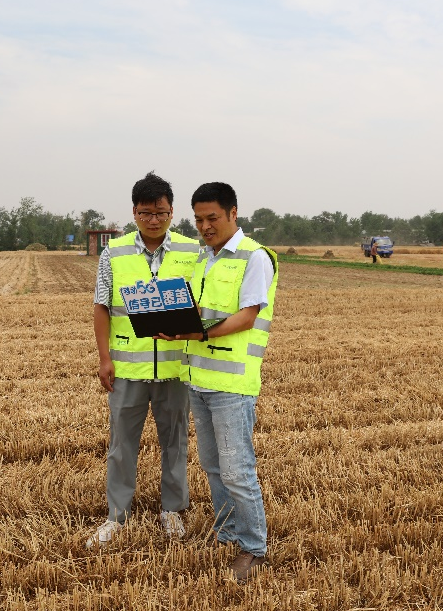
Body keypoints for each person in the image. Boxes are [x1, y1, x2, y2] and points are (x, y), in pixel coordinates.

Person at [158, 182, 278, 583]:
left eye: (212, 218)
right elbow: (193, 311)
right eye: (198, 219)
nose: (205, 226)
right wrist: (168, 321)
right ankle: (228, 533)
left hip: (232, 384)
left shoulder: (254, 257)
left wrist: (193, 334)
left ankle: (253, 547)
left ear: (233, 214)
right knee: (212, 466)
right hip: (198, 379)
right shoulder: (201, 259)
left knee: (237, 470)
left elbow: (247, 316)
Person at [87, 171, 201, 549]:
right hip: (127, 370)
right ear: (134, 212)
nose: (154, 219)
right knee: (121, 445)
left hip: (175, 369)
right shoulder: (113, 253)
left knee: (175, 442)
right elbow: (101, 307)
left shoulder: (192, 251)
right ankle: (116, 516)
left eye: (161, 212)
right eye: (146, 212)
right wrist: (105, 358)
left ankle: (172, 510)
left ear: (172, 212)